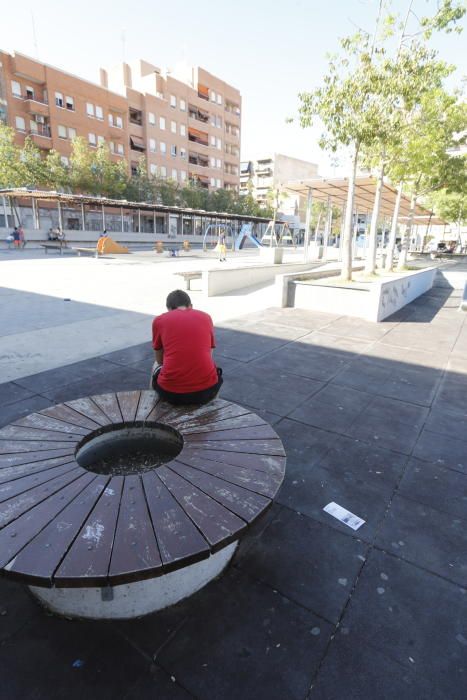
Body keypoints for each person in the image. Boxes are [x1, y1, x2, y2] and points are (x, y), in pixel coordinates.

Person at [150, 289, 223, 406]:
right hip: (207, 391)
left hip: (171, 393)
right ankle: (213, 407)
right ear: (191, 306)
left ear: (168, 309)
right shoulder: (206, 317)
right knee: (210, 366)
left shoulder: (159, 321)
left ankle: (153, 407)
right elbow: (209, 354)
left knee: (155, 365)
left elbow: (159, 360)